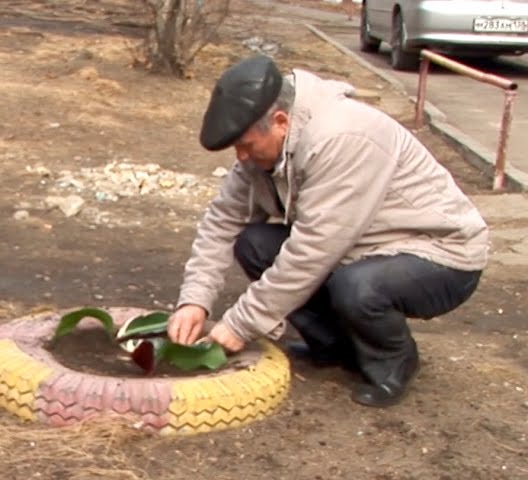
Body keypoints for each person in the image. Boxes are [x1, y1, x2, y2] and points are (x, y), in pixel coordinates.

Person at [167, 55, 488, 408]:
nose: (240, 157)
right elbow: (222, 221)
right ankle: (334, 345)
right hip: (364, 249)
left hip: (440, 254)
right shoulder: (264, 150)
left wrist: (240, 324)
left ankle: (394, 361)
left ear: (280, 121)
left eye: (245, 145)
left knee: (357, 287)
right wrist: (194, 301)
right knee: (255, 244)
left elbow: (313, 251)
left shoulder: (341, 137)